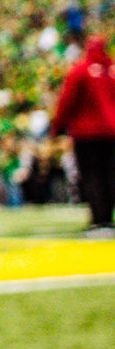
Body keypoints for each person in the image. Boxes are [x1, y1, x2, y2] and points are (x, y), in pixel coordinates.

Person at [50, 32, 115, 235]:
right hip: (112, 133)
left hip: (86, 134)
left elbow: (67, 101)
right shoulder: (112, 70)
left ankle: (99, 220)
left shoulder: (80, 70)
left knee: (91, 175)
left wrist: (57, 128)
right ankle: (108, 219)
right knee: (110, 175)